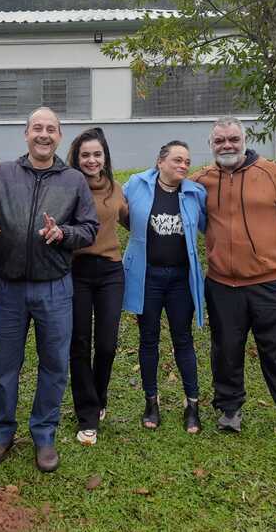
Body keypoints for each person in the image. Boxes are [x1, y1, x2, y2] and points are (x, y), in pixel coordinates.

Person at [0, 107, 98, 473]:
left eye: (52, 129)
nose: (44, 134)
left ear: (60, 137)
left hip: (55, 289)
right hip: (8, 289)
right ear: (25, 133)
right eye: (37, 128)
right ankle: (1, 434)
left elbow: (89, 228)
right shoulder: (1, 174)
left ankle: (44, 435)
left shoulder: (73, 180)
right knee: (5, 366)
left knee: (55, 365)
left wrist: (64, 234)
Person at [192, 116, 276, 448]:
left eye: (233, 139)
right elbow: (167, 193)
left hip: (269, 284)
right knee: (225, 350)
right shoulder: (201, 182)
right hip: (222, 284)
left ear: (244, 139)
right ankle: (229, 408)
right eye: (220, 140)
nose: (227, 145)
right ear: (211, 145)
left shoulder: (273, 174)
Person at [122, 140, 207, 434]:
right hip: (147, 277)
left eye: (187, 161)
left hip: (181, 280)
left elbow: (214, 226)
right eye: (177, 160)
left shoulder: (195, 193)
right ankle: (151, 402)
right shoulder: (136, 185)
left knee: (183, 339)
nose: (183, 165)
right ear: (160, 162)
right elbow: (116, 209)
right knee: (148, 339)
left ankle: (192, 404)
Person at [66, 128, 128, 446]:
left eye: (97, 154)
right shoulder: (67, 186)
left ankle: (99, 397)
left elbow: (133, 220)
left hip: (110, 273)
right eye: (85, 155)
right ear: (77, 158)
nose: (92, 160)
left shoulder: (117, 189)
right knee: (79, 343)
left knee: (106, 344)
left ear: (105, 157)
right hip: (76, 271)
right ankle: (87, 414)